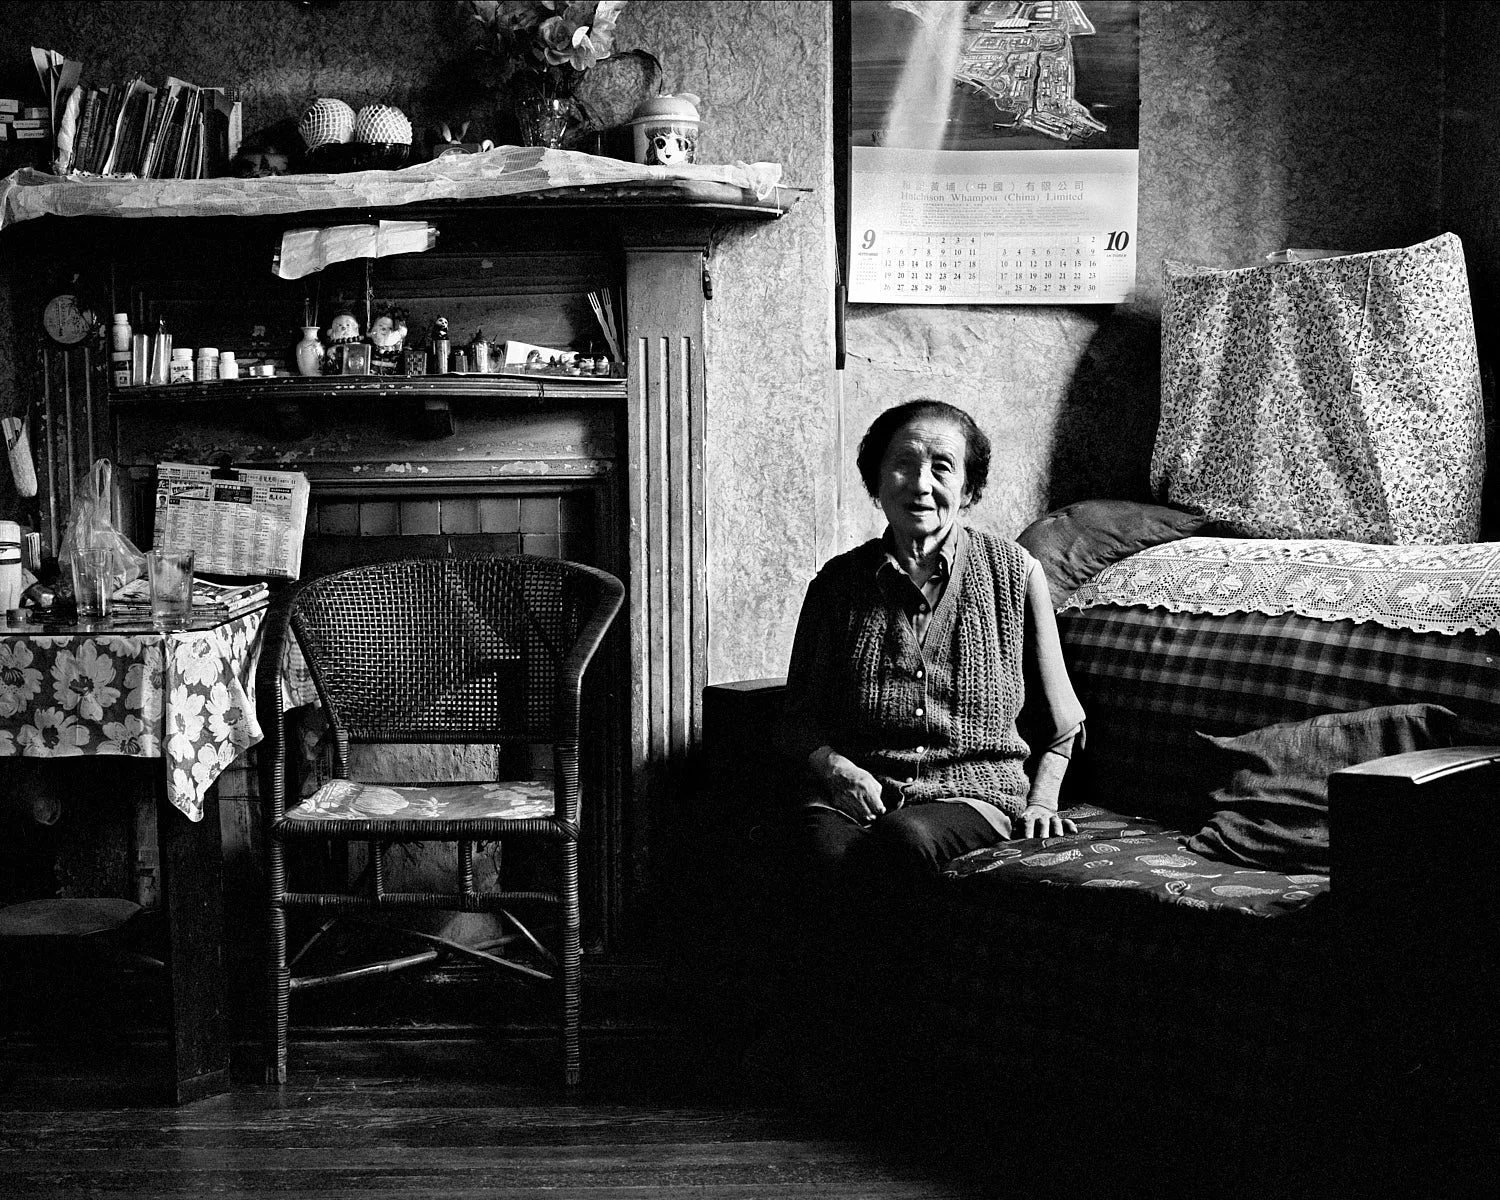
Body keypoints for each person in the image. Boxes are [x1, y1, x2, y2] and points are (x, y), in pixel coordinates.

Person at [783, 398, 1085, 890]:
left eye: (941, 468)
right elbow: (797, 720)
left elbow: (1063, 724)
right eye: (902, 464)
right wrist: (836, 768)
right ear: (876, 482)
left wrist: (1042, 802)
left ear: (968, 489)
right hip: (859, 793)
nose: (921, 484)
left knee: (906, 839)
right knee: (817, 847)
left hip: (975, 796)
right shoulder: (836, 584)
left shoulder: (1016, 574)